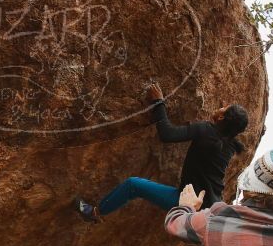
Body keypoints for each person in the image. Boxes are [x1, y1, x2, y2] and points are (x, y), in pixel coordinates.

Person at [76, 83, 248, 222]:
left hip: (189, 205)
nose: (221, 107)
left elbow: (167, 134)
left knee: (133, 185)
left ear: (221, 118)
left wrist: (159, 103)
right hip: (211, 208)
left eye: (224, 109)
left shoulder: (206, 131)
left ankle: (94, 213)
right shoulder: (231, 146)